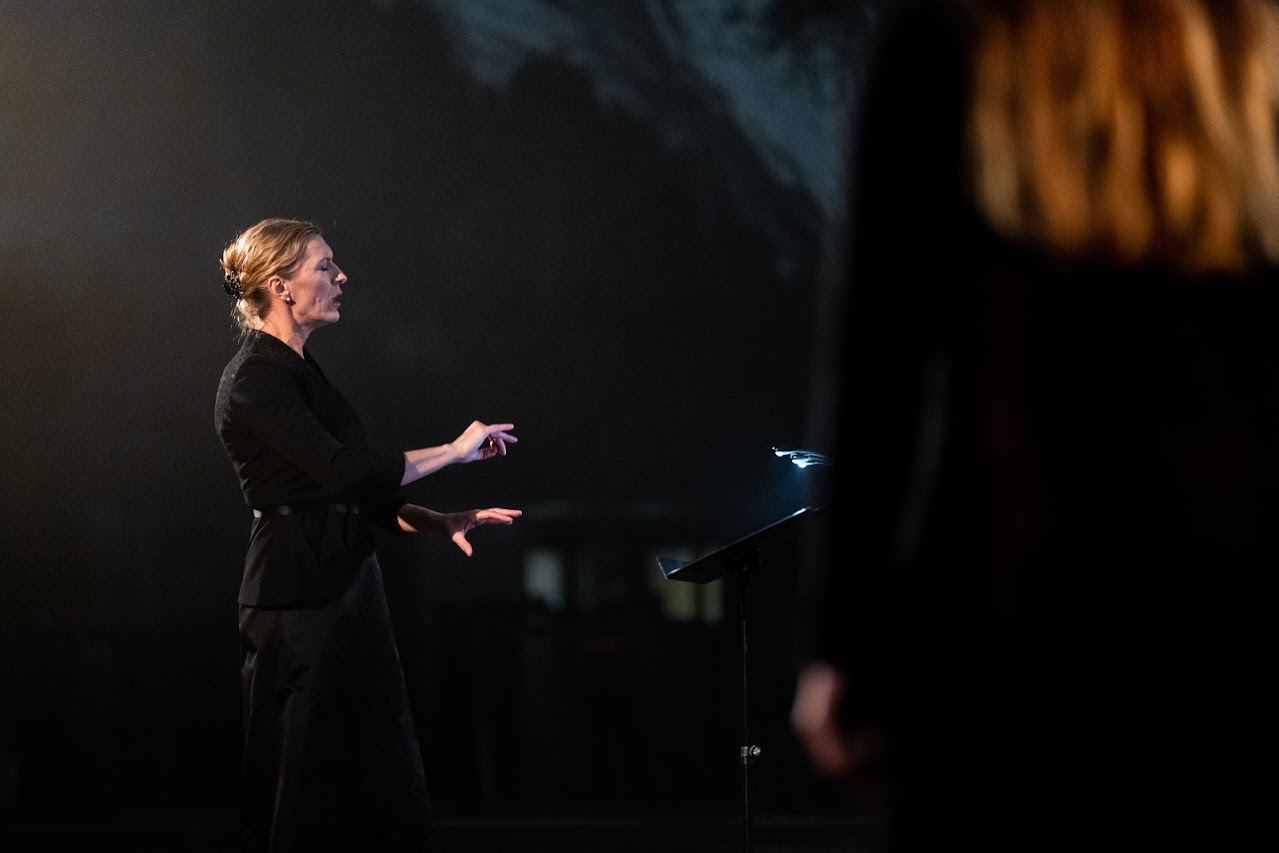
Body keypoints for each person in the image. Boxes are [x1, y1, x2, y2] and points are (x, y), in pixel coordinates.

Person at [792, 1, 1279, 850]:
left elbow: (879, 366)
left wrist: (843, 645)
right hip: (1237, 613)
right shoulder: (1256, 54)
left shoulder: (952, 38)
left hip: (1005, 611)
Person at [214, 217, 521, 852]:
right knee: (305, 781)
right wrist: (454, 451)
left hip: (346, 585)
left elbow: (355, 496)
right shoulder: (256, 378)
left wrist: (439, 521)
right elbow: (345, 471)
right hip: (299, 594)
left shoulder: (300, 370)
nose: (341, 276)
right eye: (325, 265)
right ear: (282, 286)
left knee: (379, 767)